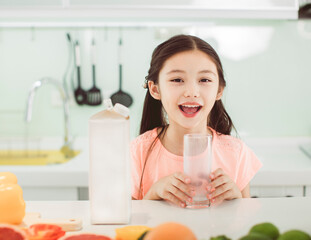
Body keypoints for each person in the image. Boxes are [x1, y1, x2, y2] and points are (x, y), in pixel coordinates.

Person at [131, 34, 262, 208]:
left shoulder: (237, 153)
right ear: (155, 90)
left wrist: (236, 199)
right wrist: (153, 193)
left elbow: (246, 225)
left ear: (219, 90)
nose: (191, 91)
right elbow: (129, 228)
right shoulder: (136, 153)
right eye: (177, 80)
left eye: (204, 80)